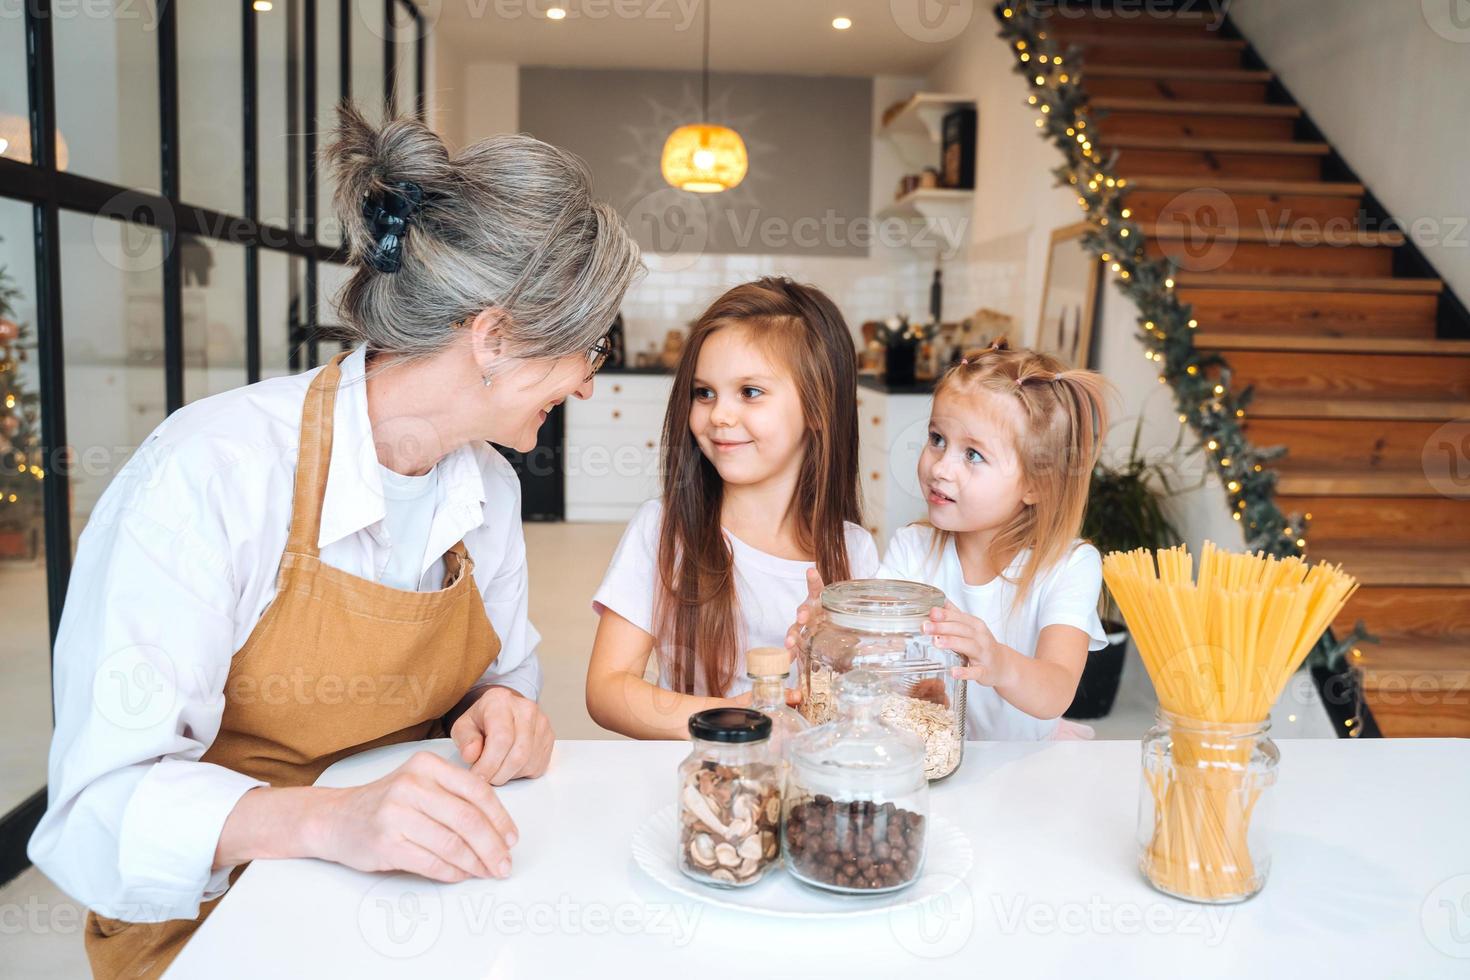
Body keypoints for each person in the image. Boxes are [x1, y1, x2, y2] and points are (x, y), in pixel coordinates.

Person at [28, 105, 643, 979]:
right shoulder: (215, 471)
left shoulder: (487, 488)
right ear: (495, 336)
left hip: (407, 900)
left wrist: (499, 712)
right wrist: (331, 819)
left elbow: (497, 675)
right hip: (219, 921)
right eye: (588, 346)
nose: (588, 380)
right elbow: (98, 808)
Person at [586, 278, 879, 738]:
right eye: (704, 393)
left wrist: (832, 649)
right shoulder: (664, 531)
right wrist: (732, 719)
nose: (719, 415)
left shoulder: (852, 551)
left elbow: (866, 704)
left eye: (750, 392)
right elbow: (607, 690)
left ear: (819, 407)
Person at [788, 340, 1113, 740]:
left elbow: (1057, 691)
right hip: (933, 755)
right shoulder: (913, 547)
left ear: (1036, 483)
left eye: (973, 455)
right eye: (937, 438)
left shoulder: (1068, 565)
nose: (940, 467)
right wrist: (834, 626)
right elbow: (874, 653)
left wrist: (998, 662)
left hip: (1024, 762)